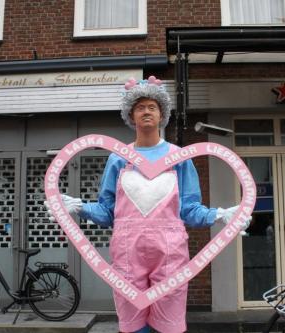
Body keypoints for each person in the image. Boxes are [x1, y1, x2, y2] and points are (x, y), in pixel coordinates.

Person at [45, 76, 250, 333]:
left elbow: (189, 209)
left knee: (170, 323)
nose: (146, 111)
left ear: (162, 113)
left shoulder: (179, 158)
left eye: (152, 106)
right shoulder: (118, 159)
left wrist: (219, 216)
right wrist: (79, 207)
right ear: (131, 114)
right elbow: (108, 212)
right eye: (140, 107)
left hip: (171, 252)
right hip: (126, 251)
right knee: (132, 324)